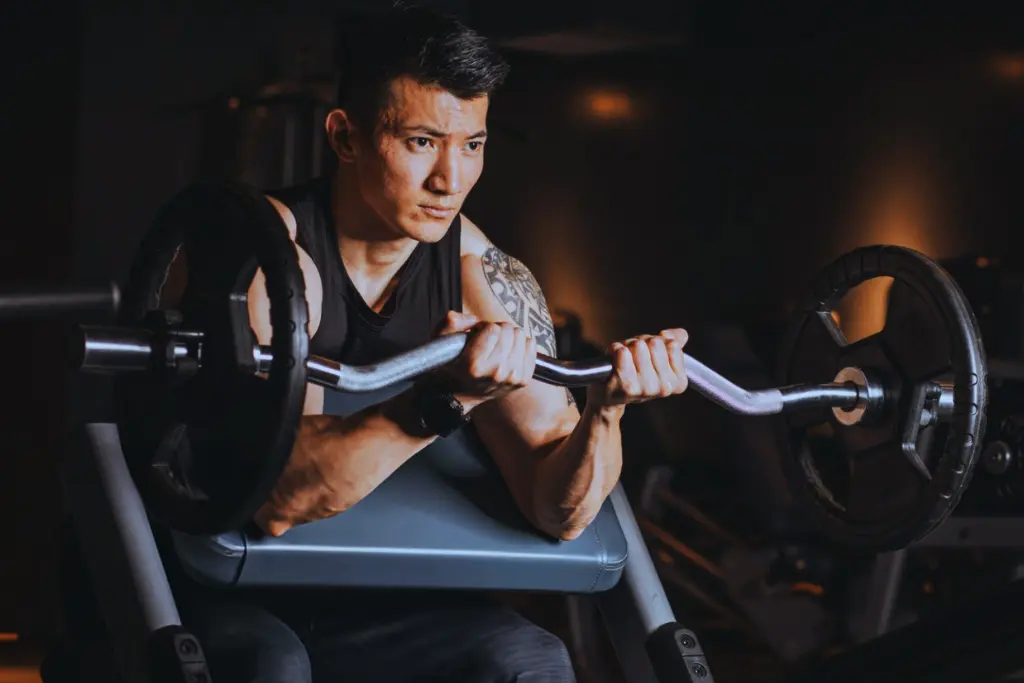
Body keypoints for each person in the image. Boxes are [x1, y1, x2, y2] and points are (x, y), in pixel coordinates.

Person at [98, 5, 690, 683]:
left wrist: (606, 412)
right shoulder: (270, 262)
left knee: (528, 660)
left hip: (379, 596)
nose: (451, 179)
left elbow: (557, 509)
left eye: (473, 144)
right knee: (271, 665)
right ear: (345, 136)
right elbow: (280, 499)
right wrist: (440, 402)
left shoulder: (483, 274)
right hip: (226, 588)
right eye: (420, 142)